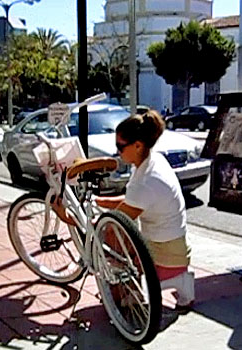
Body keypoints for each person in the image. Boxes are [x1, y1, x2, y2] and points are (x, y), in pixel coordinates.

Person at [54, 110, 194, 311]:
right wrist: (103, 201)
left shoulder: (145, 182)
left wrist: (65, 216)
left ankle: (133, 293)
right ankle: (180, 284)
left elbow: (105, 226)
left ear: (138, 145)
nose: (117, 152)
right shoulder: (152, 162)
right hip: (175, 243)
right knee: (117, 230)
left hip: (165, 254)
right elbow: (134, 202)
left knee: (110, 239)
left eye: (120, 147)